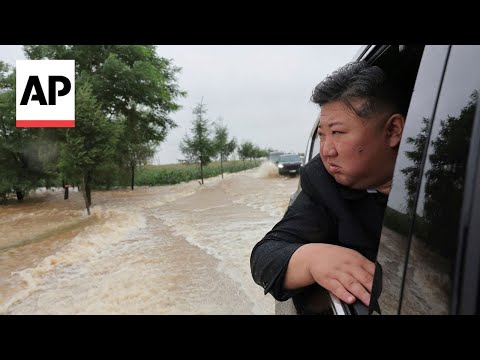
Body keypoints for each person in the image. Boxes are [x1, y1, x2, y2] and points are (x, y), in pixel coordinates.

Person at [250, 60, 407, 313]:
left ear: (392, 131)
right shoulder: (323, 183)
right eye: (322, 135)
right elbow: (265, 256)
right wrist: (312, 259)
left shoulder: (447, 180)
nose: (326, 151)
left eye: (338, 133)